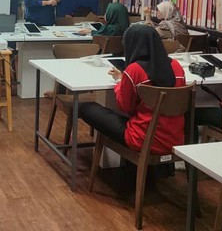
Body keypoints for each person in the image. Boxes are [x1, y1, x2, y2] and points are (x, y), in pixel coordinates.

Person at [78, 25, 186, 154]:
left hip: (141, 139)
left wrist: (120, 81)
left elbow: (124, 106)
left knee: (86, 108)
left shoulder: (135, 70)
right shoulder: (176, 66)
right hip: (175, 139)